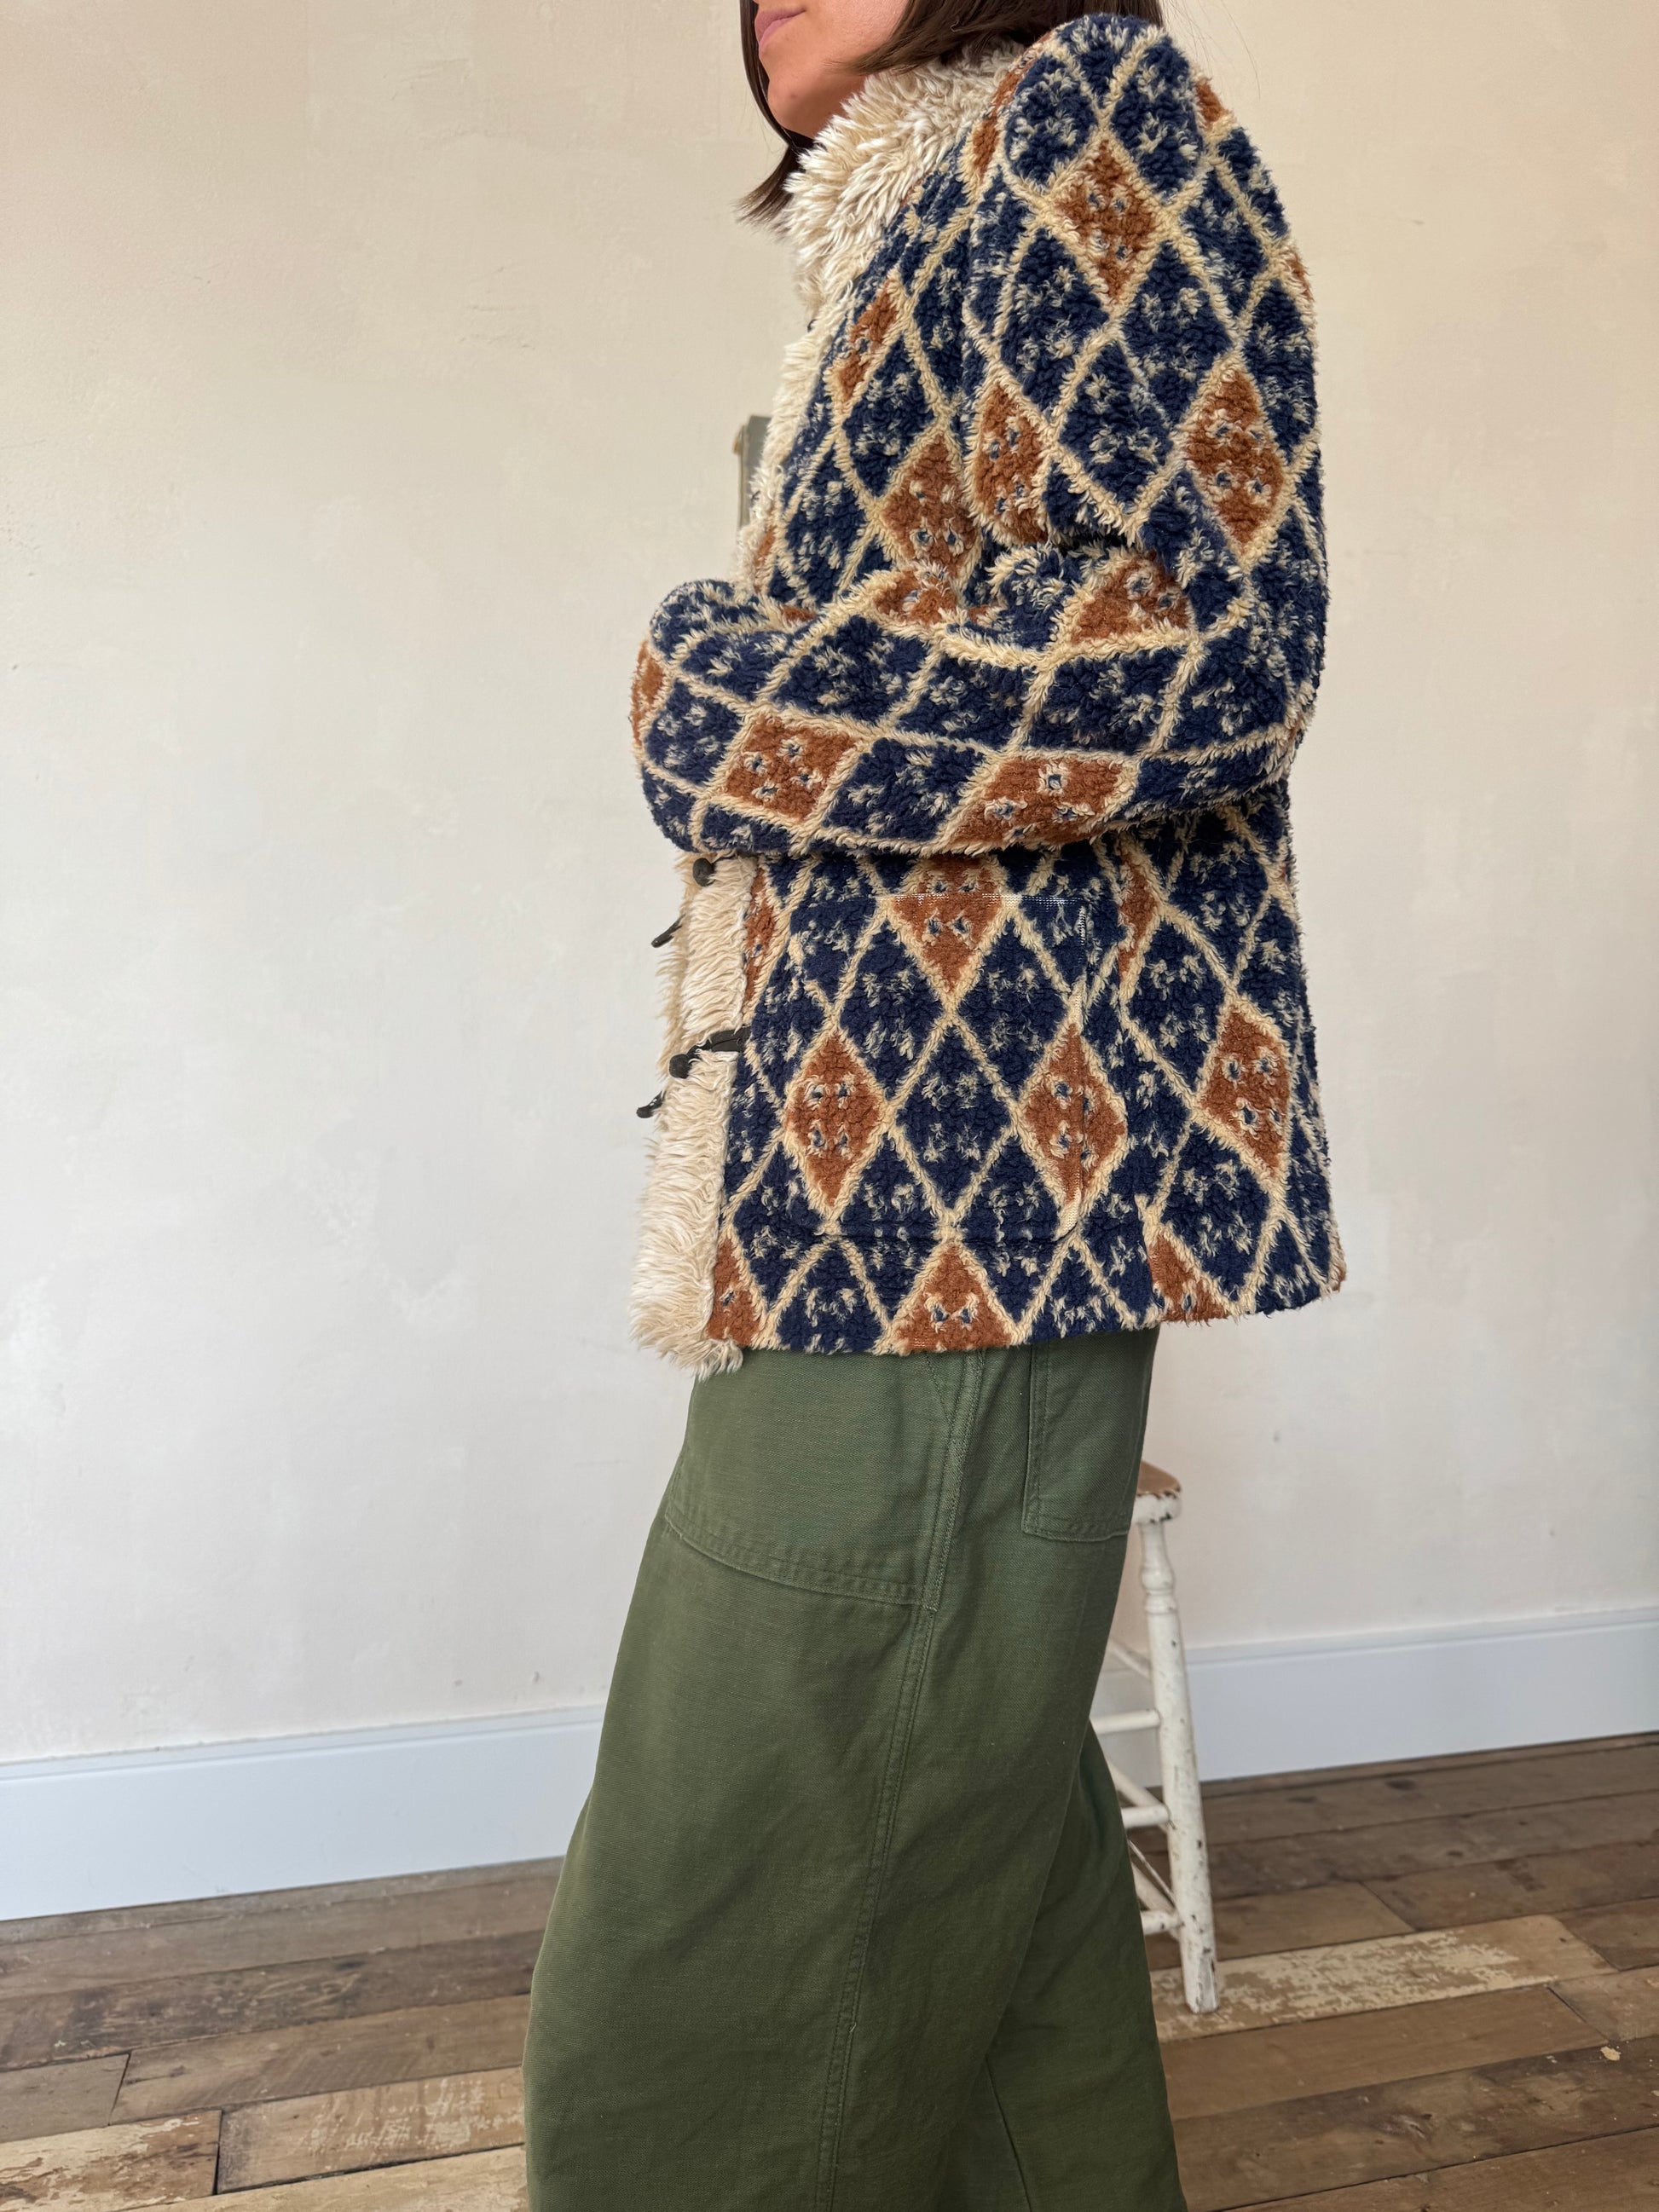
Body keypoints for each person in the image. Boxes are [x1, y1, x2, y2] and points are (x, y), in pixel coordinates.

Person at [524, 2, 1341, 2203]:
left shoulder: (1090, 107)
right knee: (977, 1871)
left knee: (720, 1918)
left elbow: (1207, 642)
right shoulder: (930, 192)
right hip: (887, 1180)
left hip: (981, 1188)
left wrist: (724, 695)